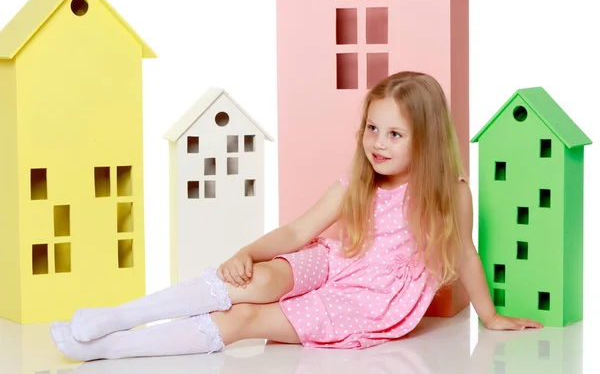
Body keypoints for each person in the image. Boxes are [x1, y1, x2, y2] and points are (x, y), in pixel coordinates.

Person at [50, 71, 543, 361]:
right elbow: (298, 232)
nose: (377, 143)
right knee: (258, 279)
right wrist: (245, 252)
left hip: (366, 303)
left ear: (426, 139)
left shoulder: (449, 194)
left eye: (395, 134)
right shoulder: (359, 185)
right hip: (336, 262)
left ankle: (105, 349)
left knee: (243, 317)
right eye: (373, 128)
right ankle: (116, 317)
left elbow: (465, 253)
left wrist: (490, 315)